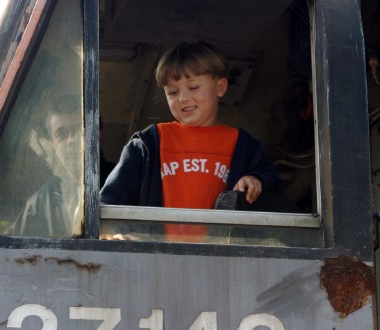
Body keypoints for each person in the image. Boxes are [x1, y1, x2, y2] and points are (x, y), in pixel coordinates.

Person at [100, 41, 283, 212]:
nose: (183, 99)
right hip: (158, 247)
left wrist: (257, 179)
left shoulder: (244, 145)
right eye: (172, 92)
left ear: (221, 87)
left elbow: (275, 186)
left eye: (194, 87)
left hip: (221, 247)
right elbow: (109, 200)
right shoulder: (149, 142)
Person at [7, 94, 84, 237]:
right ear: (54, 145)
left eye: (80, 129)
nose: (72, 140)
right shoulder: (47, 197)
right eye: (62, 134)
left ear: (99, 135)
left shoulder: (123, 183)